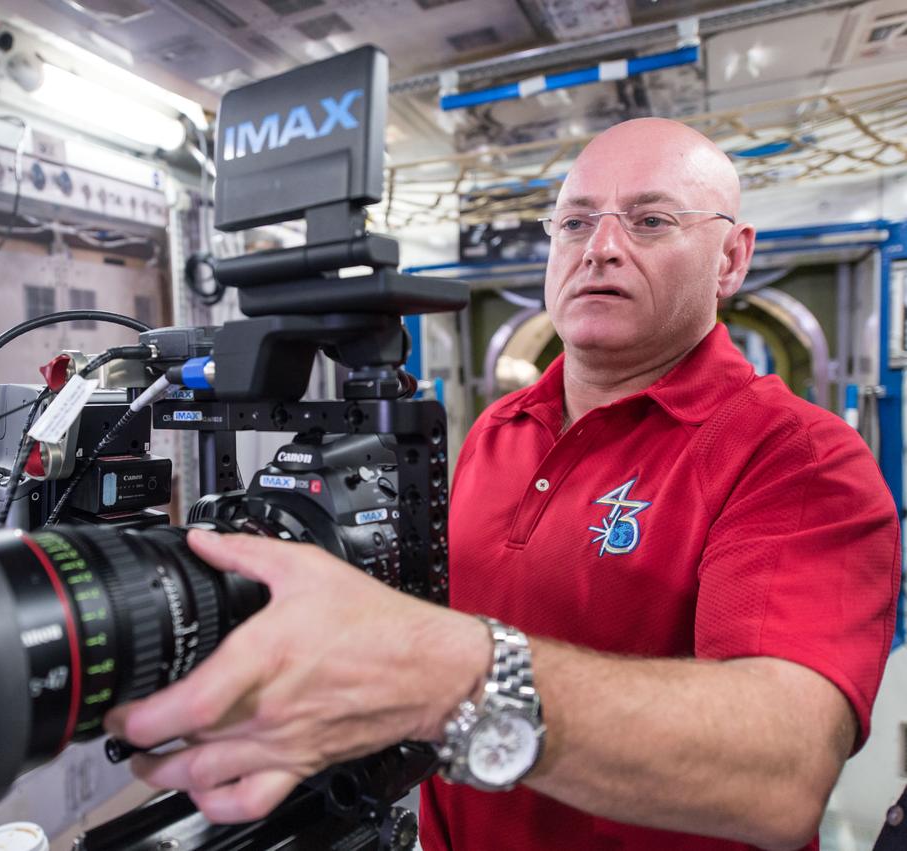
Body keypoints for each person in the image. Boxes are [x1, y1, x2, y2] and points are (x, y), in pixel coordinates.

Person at [103, 118, 902, 850]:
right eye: (575, 222)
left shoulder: (797, 456)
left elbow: (780, 770)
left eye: (651, 220)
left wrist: (440, 671)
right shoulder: (499, 427)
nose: (600, 248)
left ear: (730, 258)